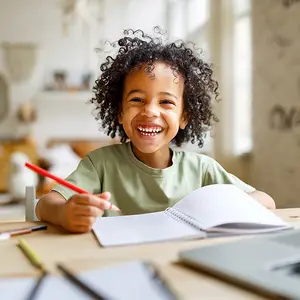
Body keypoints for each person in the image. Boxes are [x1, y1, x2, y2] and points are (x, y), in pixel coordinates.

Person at [36, 28, 275, 233]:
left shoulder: (203, 169)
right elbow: (45, 204)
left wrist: (224, 209)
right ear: (120, 112)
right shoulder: (100, 165)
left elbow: (266, 201)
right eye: (137, 99)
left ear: (184, 117)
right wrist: (64, 213)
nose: (150, 111)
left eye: (166, 102)